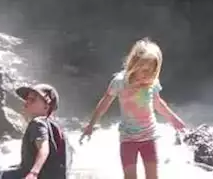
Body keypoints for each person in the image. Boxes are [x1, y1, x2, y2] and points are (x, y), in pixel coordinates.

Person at [80, 38, 188, 179]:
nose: (147, 75)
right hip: (128, 139)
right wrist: (91, 124)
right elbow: (105, 102)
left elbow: (158, 103)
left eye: (152, 71)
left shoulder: (152, 83)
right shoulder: (120, 82)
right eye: (144, 70)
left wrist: (174, 120)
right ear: (134, 64)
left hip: (149, 137)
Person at [3, 83, 69, 179]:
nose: (26, 103)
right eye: (27, 99)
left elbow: (44, 149)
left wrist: (34, 173)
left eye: (32, 100)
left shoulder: (37, 122)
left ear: (46, 106)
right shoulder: (57, 129)